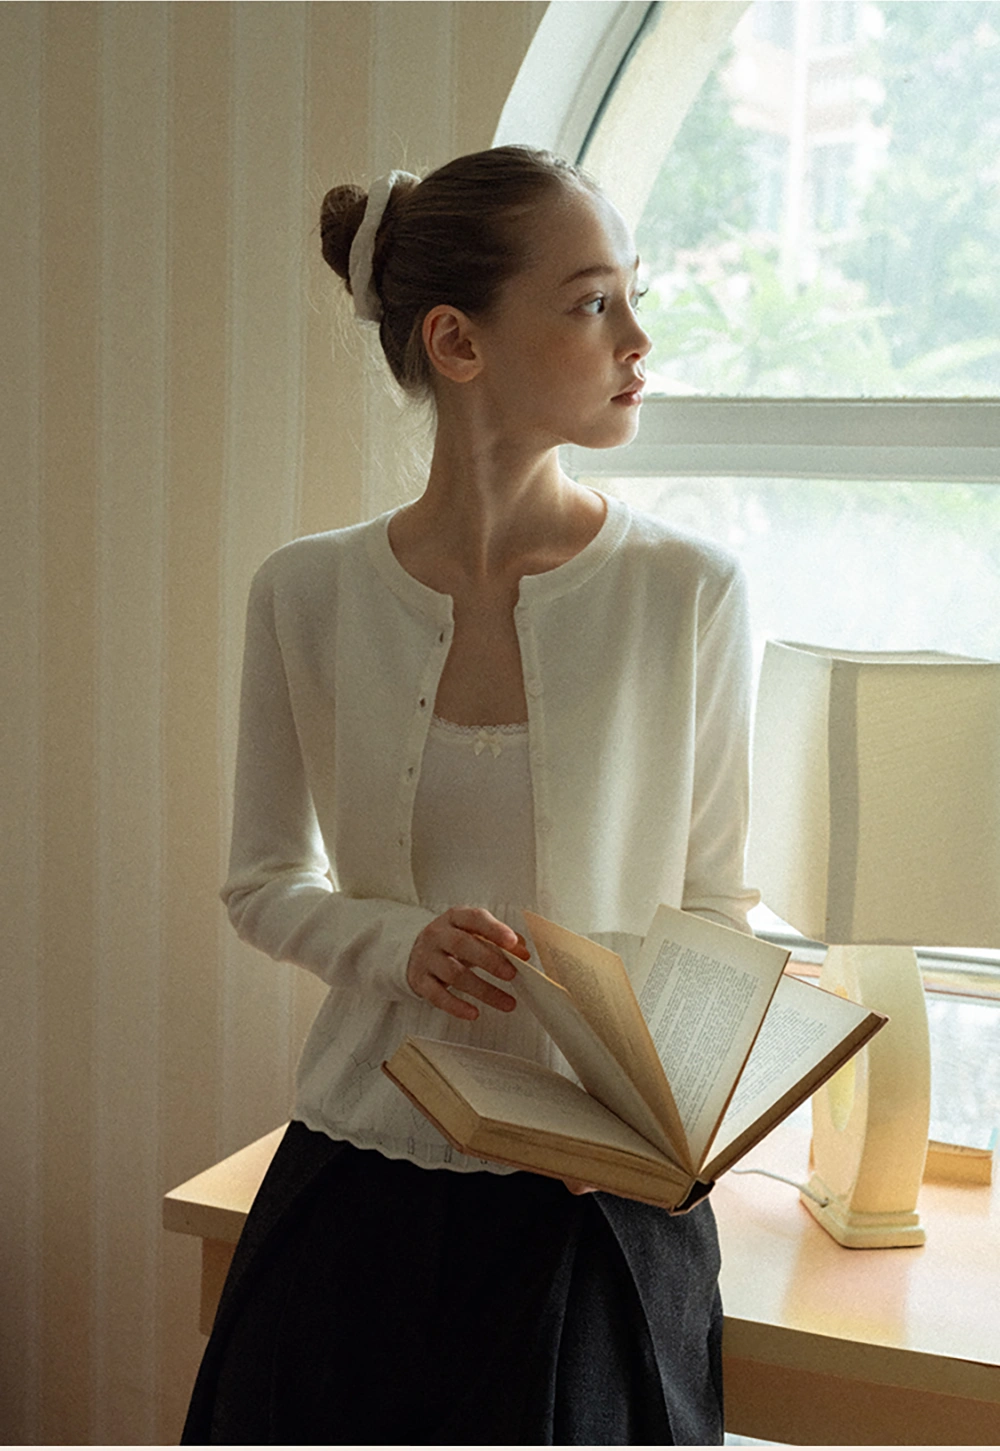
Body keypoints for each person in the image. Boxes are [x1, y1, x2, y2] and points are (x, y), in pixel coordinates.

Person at [181, 145, 758, 1446]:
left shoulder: (692, 594)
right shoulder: (306, 593)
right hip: (354, 1192)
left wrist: (653, 1126)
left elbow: (721, 905)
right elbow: (263, 880)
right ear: (457, 340)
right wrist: (399, 943)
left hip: (601, 1218)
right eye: (593, 300)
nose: (638, 335)